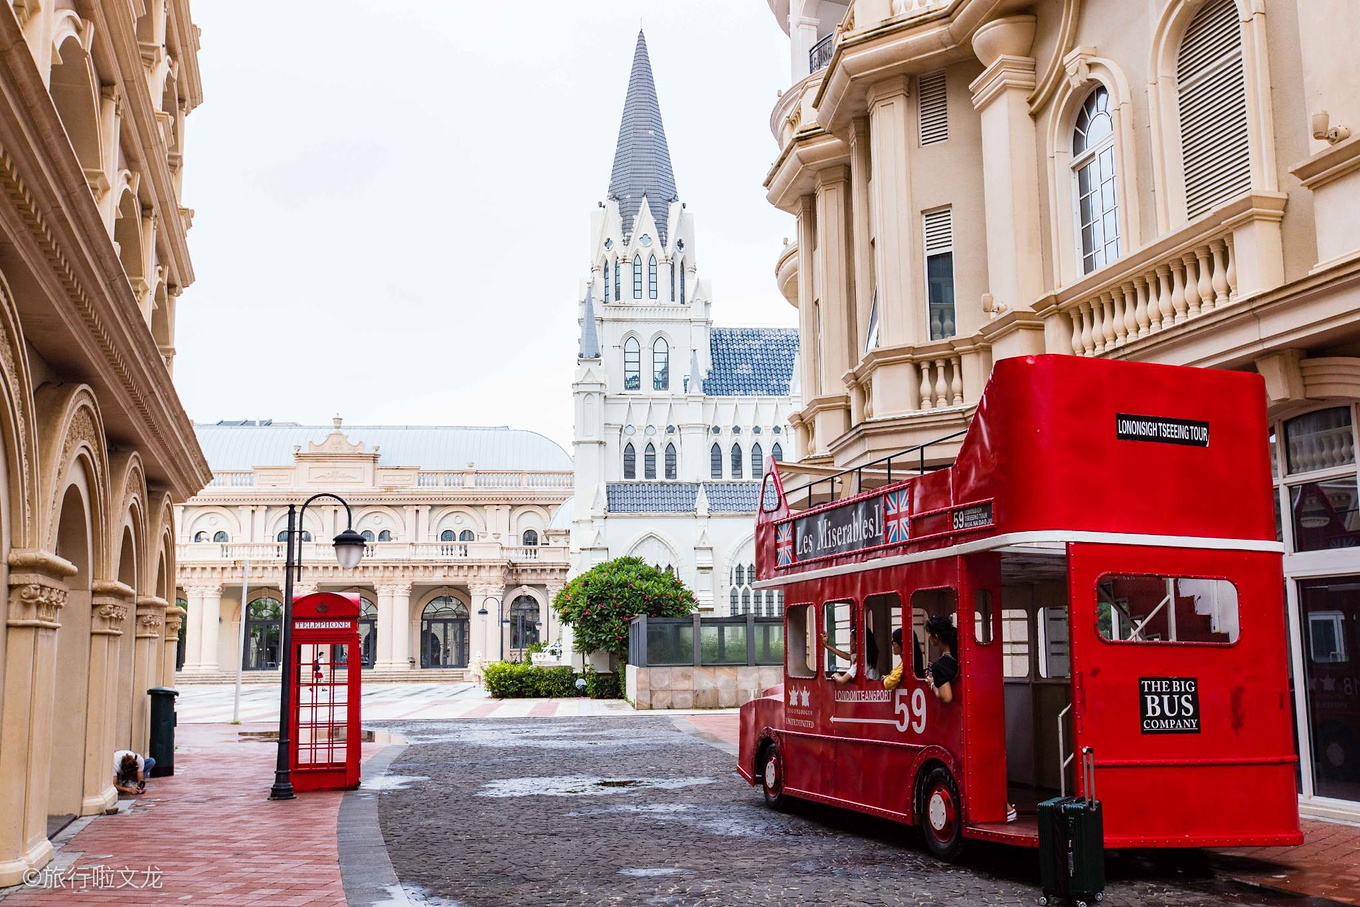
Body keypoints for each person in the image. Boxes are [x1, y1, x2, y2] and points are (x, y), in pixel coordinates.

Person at [923, 614, 959, 703]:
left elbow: (946, 697)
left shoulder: (940, 666)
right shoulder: (958, 656)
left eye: (930, 634)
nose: (928, 637)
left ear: (936, 637)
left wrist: (932, 684)